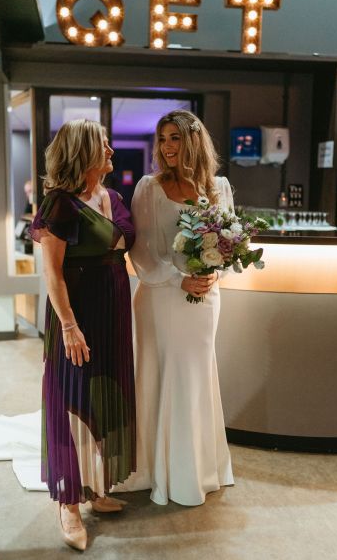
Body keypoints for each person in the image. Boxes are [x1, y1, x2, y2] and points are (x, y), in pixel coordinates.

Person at [29, 119, 136, 551]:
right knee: (71, 397)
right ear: (84, 152)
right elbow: (51, 273)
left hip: (113, 310)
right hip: (77, 314)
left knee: (104, 396)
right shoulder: (60, 204)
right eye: (103, 142)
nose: (111, 147)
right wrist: (69, 326)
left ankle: (95, 487)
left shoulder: (113, 196)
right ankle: (68, 502)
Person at [119, 109, 234, 506]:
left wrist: (213, 274)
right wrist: (177, 277)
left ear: (193, 141)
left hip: (204, 300)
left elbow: (229, 243)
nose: (167, 147)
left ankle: (201, 467)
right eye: (162, 139)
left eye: (175, 138)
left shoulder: (219, 186)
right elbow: (142, 252)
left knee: (197, 375)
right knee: (164, 375)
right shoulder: (150, 188)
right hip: (161, 296)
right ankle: (159, 469)